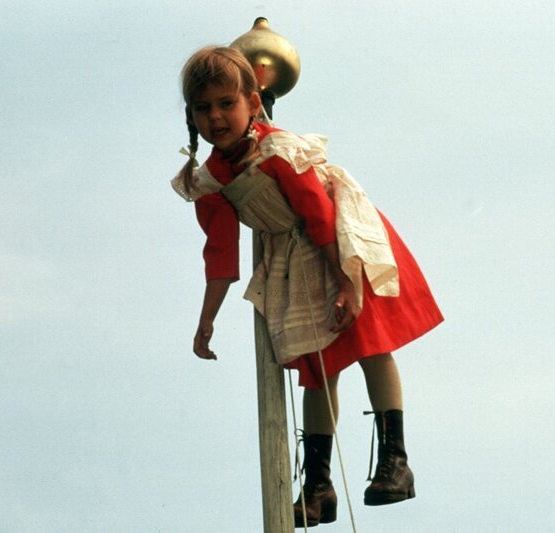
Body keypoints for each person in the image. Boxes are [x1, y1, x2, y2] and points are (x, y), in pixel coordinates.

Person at [171, 46, 443, 528]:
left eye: (226, 103)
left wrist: (348, 281)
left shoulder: (277, 151)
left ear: (253, 103)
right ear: (191, 115)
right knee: (319, 368)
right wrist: (206, 319)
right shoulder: (211, 181)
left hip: (338, 240)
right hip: (295, 258)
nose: (215, 117)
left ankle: (396, 463)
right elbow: (220, 254)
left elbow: (318, 213)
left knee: (370, 343)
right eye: (203, 107)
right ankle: (318, 487)